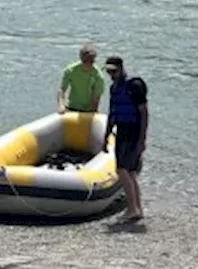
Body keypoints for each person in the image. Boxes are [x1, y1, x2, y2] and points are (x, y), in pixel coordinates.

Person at [102, 56, 149, 222]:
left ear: (121, 68)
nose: (111, 75)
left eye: (114, 71)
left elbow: (143, 112)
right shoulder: (114, 88)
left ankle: (131, 209)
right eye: (108, 72)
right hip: (121, 130)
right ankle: (137, 209)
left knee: (122, 170)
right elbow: (112, 113)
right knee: (130, 172)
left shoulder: (134, 85)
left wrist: (142, 139)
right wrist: (106, 136)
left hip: (133, 131)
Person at [59, 42, 105, 113]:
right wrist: (61, 105)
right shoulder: (70, 70)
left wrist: (93, 110)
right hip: (72, 107)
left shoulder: (98, 75)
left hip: (89, 110)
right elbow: (62, 89)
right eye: (86, 61)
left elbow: (96, 97)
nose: (88, 64)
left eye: (91, 61)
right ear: (81, 58)